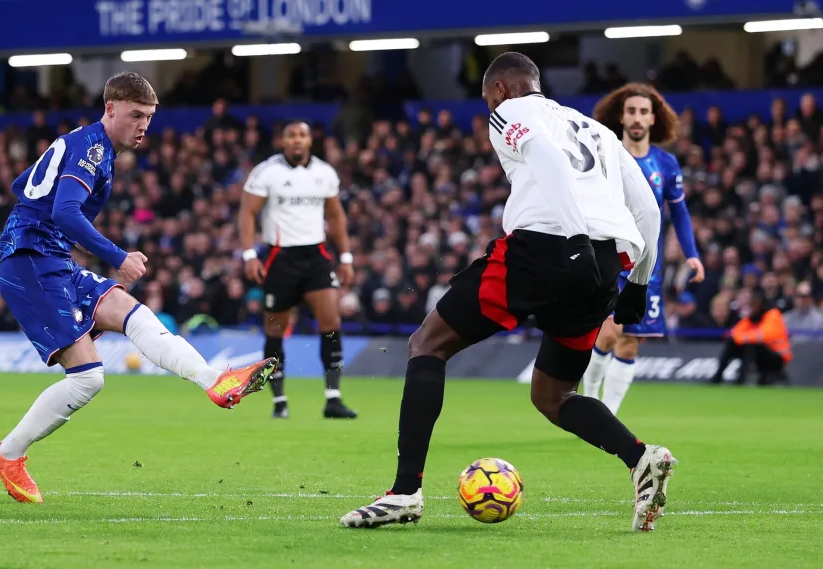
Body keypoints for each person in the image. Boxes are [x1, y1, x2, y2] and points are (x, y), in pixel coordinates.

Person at [339, 52, 675, 533]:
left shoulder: (511, 111)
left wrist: (574, 239)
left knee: (427, 344)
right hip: (606, 266)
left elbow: (549, 165)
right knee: (554, 396)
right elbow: (646, 207)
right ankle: (641, 457)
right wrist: (638, 283)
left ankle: (405, 492)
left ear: (499, 90)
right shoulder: (594, 128)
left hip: (545, 250)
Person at [0, 72, 278, 504]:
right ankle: (7, 454)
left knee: (134, 313)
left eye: (150, 117)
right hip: (30, 260)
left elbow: (27, 189)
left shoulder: (93, 147)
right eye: (136, 114)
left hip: (53, 259)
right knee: (88, 379)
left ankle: (215, 380)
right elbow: (64, 212)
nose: (143, 125)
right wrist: (118, 256)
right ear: (110, 109)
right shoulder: (91, 147)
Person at [581, 83, 704, 415]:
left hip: (647, 266)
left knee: (631, 342)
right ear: (621, 116)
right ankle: (590, 399)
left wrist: (691, 253)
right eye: (631, 111)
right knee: (607, 333)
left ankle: (607, 415)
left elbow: (679, 211)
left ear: (653, 119)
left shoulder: (665, 163)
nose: (637, 118)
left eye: (643, 112)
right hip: (609, 259)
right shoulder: (604, 156)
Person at [238, 120, 357, 419]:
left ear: (310, 141)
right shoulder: (267, 172)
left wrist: (345, 257)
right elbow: (247, 212)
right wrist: (250, 254)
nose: (297, 141)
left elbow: (336, 216)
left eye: (302, 135)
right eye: (291, 135)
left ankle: (333, 397)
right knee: (275, 330)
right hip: (280, 257)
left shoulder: (324, 173)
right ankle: (279, 401)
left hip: (315, 255)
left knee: (331, 322)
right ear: (282, 141)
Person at [711, 289, 791, 385]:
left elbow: (765, 335)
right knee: (732, 343)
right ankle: (717, 377)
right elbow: (734, 334)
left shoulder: (773, 315)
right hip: (759, 355)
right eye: (751, 304)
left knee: (751, 345)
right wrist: (743, 338)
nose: (752, 307)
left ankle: (741, 380)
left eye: (754, 304)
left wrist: (744, 337)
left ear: (761, 305)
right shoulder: (751, 318)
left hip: (777, 358)